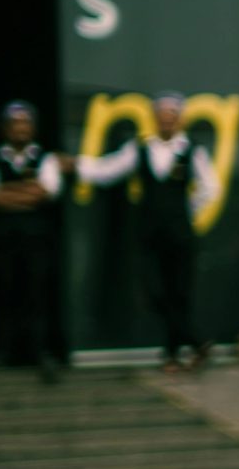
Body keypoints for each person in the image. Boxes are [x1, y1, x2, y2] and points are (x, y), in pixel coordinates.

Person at [78, 91, 220, 370]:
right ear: (155, 119)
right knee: (153, 291)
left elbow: (211, 187)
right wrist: (79, 166)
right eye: (162, 117)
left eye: (172, 117)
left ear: (180, 120)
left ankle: (171, 355)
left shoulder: (193, 150)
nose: (167, 122)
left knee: (179, 292)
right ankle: (196, 341)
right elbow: (109, 170)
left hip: (180, 233)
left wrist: (187, 211)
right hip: (149, 233)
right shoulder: (140, 149)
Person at [0, 101, 65, 378]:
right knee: (4, 292)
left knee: (36, 293)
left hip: (36, 241)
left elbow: (48, 192)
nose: (20, 129)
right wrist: (26, 192)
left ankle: (40, 351)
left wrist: (6, 193)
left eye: (25, 123)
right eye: (15, 124)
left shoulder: (45, 158)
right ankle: (3, 351)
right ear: (6, 129)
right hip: (4, 241)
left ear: (33, 128)